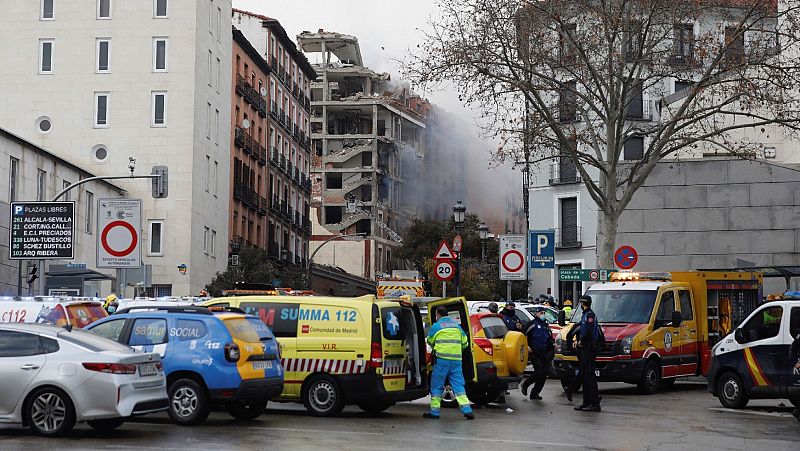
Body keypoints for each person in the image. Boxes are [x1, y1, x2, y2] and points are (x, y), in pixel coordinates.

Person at [425, 306, 474, 420]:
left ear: (438, 315)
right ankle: (467, 410)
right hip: (456, 361)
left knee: (437, 386)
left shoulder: (436, 326)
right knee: (459, 386)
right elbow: (465, 343)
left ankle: (434, 412)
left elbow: (430, 341)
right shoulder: (457, 326)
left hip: (442, 361)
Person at [573, 295, 602, 412]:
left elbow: (589, 332)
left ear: (582, 303)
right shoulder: (585, 315)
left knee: (590, 376)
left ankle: (594, 403)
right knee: (585, 376)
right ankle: (586, 402)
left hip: (589, 348)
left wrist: (581, 341)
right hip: (584, 348)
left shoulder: (590, 315)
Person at [521, 306, 555, 400]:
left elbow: (549, 338)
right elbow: (523, 336)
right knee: (539, 372)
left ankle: (535, 393)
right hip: (535, 353)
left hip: (545, 353)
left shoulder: (545, 325)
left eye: (544, 313)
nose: (543, 315)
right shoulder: (532, 324)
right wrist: (527, 346)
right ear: (536, 314)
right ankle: (526, 384)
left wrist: (552, 345)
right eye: (541, 313)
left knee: (544, 374)